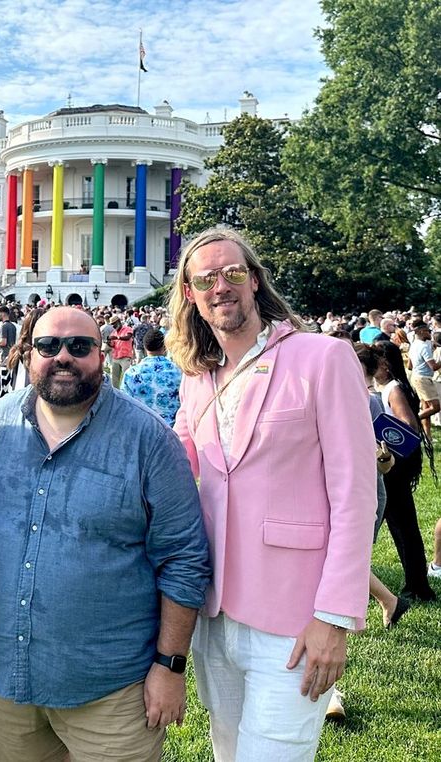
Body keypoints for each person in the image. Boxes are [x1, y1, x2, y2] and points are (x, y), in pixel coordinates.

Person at [168, 227, 375, 761]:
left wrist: (334, 615)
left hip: (296, 618)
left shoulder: (322, 358)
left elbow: (354, 495)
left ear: (254, 280)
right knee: (228, 753)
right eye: (205, 278)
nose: (222, 286)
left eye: (233, 272)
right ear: (190, 294)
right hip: (214, 618)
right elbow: (168, 467)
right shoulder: (198, 377)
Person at [0, 306, 210, 762]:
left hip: (109, 689)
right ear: (28, 356)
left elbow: (184, 558)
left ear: (102, 355)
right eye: (48, 346)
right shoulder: (1, 422)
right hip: (3, 683)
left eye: (79, 347)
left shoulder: (149, 439)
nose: (63, 357)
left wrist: (170, 665)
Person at [372, 340, 437, 602]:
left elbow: (408, 425)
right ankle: (417, 584)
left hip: (392, 469)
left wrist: (384, 440)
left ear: (384, 364)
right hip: (391, 469)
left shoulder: (393, 389)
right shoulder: (388, 387)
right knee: (402, 529)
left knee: (403, 530)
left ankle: (418, 586)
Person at [122, 329, 183, 426]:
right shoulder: (179, 371)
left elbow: (125, 407)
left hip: (143, 430)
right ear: (165, 347)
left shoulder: (131, 374)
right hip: (174, 429)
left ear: (145, 348)